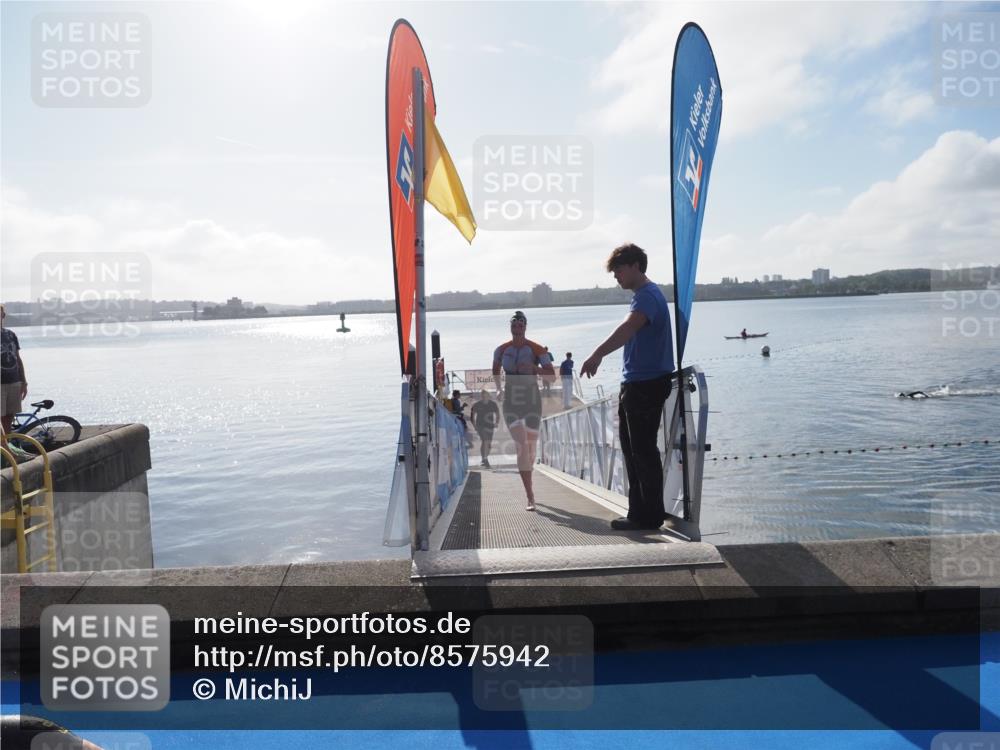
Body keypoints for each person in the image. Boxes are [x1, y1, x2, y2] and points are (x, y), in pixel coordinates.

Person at [580, 244, 673, 531]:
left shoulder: (647, 297)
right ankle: (640, 512)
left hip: (645, 385)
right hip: (638, 383)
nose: (616, 276)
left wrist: (597, 353)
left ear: (635, 266)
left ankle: (649, 515)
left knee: (642, 451)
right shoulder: (644, 296)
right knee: (634, 451)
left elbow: (627, 329)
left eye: (619, 270)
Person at [493, 310, 555, 510]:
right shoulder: (501, 350)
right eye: (514, 324)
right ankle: (530, 496)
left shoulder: (537, 349)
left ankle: (529, 473)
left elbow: (552, 376)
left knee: (529, 449)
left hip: (531, 400)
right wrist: (498, 388)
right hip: (511, 399)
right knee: (521, 446)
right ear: (510, 327)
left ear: (525, 327)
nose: (517, 327)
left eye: (520, 324)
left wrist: (535, 369)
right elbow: (495, 371)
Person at [1, 305, 28, 439]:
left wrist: (24, 382)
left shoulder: (11, 335)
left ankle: (7, 449)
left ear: (3, 316)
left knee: (9, 417)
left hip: (14, 381)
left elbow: (17, 358)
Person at [470, 389, 500, 468]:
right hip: (480, 426)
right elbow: (472, 416)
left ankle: (485, 459)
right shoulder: (477, 404)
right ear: (481, 396)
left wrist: (497, 422)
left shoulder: (493, 404)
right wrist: (475, 426)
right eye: (483, 394)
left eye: (486, 394)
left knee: (489, 444)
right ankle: (484, 459)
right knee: (485, 440)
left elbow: (497, 414)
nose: (484, 396)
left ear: (488, 395)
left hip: (490, 426)